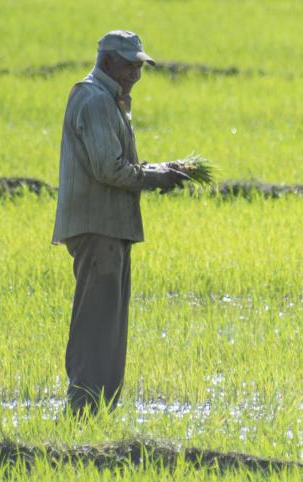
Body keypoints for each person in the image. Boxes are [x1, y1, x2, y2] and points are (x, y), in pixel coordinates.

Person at [51, 30, 189, 416]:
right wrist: (156, 178)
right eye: (130, 65)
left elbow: (117, 164)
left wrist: (161, 170)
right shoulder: (95, 100)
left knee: (109, 325)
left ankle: (100, 409)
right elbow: (108, 169)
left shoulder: (110, 100)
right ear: (108, 61)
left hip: (112, 226)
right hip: (98, 228)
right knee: (96, 322)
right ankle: (83, 407)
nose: (136, 73)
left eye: (139, 66)